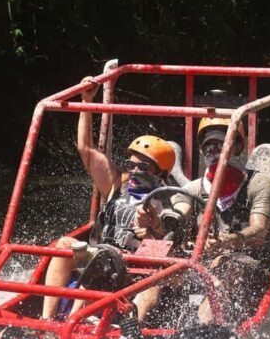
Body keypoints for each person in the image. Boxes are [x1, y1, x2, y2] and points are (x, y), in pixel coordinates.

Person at [42, 78, 175, 323]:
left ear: (161, 173)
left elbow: (169, 246)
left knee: (101, 259)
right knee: (62, 246)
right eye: (131, 165)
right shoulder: (117, 184)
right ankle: (46, 323)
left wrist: (152, 231)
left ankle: (73, 324)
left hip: (131, 271)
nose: (134, 170)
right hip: (100, 255)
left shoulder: (169, 203)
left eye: (142, 166)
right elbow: (86, 148)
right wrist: (86, 101)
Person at [172, 118, 270, 324]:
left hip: (252, 268)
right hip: (203, 265)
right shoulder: (193, 189)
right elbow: (178, 214)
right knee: (161, 273)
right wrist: (154, 221)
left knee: (225, 265)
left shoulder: (259, 184)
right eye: (208, 146)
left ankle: (198, 333)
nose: (213, 151)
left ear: (238, 146)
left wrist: (225, 242)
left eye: (221, 144)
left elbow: (259, 232)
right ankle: (131, 336)